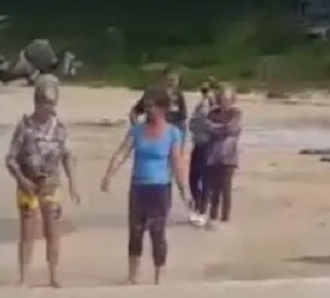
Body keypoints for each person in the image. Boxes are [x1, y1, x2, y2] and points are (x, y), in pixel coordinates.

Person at [101, 89, 189, 285]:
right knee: (135, 231)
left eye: (152, 107)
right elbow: (121, 154)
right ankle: (133, 275)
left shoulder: (173, 133)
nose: (148, 111)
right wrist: (108, 176)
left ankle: (159, 276)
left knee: (158, 233)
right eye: (146, 106)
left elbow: (177, 163)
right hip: (138, 187)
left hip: (160, 188)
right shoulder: (137, 131)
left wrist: (185, 191)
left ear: (163, 108)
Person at [5, 77, 79, 287]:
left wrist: (73, 185)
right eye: (45, 103)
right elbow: (10, 159)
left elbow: (67, 157)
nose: (48, 108)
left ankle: (53, 276)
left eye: (52, 104)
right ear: (36, 103)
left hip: (51, 183)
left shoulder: (59, 128)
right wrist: (21, 179)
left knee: (52, 232)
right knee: (27, 232)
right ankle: (23, 276)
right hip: (27, 183)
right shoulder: (24, 127)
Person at [204, 84, 243, 225]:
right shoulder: (212, 112)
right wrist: (222, 128)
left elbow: (233, 128)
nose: (225, 101)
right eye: (223, 98)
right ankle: (213, 215)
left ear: (233, 99)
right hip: (213, 155)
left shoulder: (237, 113)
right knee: (214, 188)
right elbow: (207, 127)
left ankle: (225, 218)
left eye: (228, 99)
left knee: (226, 187)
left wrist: (218, 128)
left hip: (229, 156)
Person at [186, 80, 216, 227]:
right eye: (203, 90)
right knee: (193, 177)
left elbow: (209, 125)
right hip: (198, 142)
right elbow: (191, 123)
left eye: (207, 90)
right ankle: (197, 204)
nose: (205, 93)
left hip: (208, 145)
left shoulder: (215, 107)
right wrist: (199, 123)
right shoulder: (200, 105)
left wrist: (200, 123)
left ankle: (203, 210)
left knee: (204, 179)